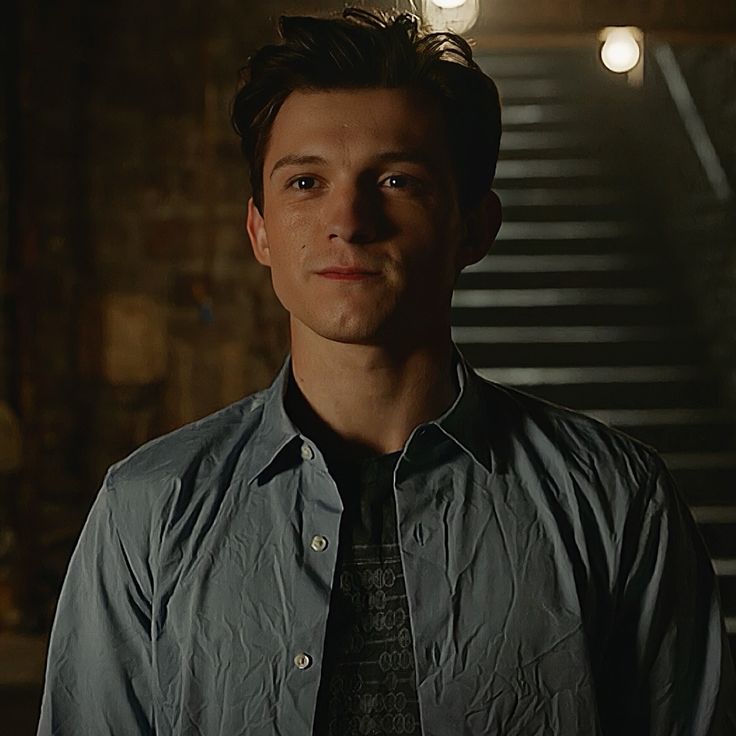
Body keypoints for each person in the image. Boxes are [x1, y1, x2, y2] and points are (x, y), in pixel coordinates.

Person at [37, 8, 736, 736]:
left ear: (475, 226)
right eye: (306, 182)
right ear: (260, 231)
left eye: (398, 179)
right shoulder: (147, 510)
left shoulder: (617, 504)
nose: (349, 218)